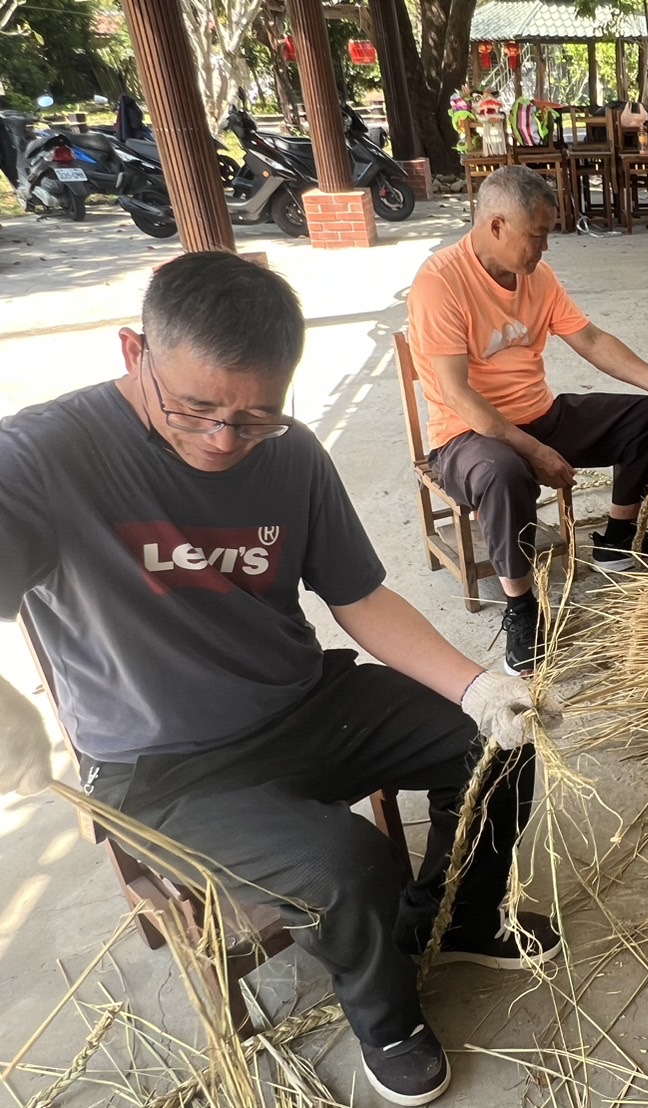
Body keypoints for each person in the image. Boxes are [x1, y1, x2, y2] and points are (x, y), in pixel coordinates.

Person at [0, 252, 560, 1106]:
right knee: (346, 864)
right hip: (162, 767)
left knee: (500, 745)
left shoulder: (292, 455)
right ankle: (386, 1018)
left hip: (304, 704)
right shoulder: (44, 455)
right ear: (132, 353)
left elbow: (359, 594)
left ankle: (460, 914)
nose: (223, 439)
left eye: (255, 416)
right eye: (194, 409)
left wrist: (477, 684)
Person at [408, 165, 648, 675]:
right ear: (497, 226)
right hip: (466, 435)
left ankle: (617, 538)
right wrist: (532, 450)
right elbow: (456, 393)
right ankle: (522, 608)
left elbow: (589, 340)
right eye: (537, 235)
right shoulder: (440, 282)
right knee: (504, 472)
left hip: (539, 413)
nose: (543, 249)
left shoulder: (536, 277)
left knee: (646, 417)